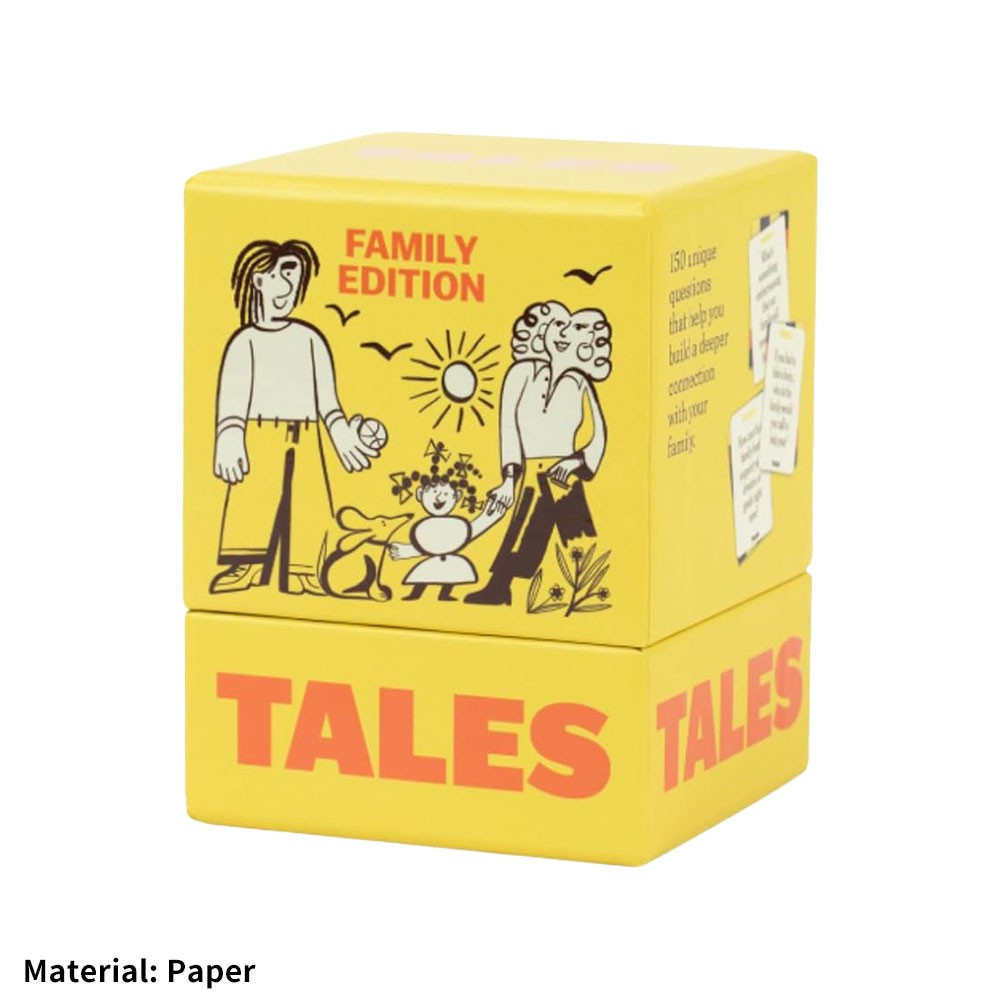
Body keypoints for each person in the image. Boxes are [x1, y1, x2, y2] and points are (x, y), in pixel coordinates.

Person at [210, 239, 380, 596]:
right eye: (278, 275)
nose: (287, 287)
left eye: (294, 277)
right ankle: (247, 564)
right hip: (259, 431)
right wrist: (229, 434)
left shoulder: (310, 339)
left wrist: (342, 434)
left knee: (309, 500)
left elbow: (328, 402)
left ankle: (303, 569)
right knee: (253, 495)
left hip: (306, 433)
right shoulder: (245, 341)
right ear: (258, 280)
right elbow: (233, 396)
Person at [464, 301, 612, 606]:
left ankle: (580, 596)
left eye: (569, 329)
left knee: (577, 538)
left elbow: (599, 433)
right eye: (555, 327)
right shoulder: (521, 373)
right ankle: (501, 586)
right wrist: (508, 479)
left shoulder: (581, 383)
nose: (561, 336)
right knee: (522, 530)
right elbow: (508, 427)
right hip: (530, 471)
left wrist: (574, 462)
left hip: (564, 474)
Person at [389, 476, 502, 601]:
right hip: (434, 561)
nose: (439, 498)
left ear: (457, 496)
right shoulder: (425, 527)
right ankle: (416, 594)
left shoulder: (456, 525)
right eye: (434, 492)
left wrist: (489, 517)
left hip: (449, 561)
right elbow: (428, 546)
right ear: (420, 494)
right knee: (425, 575)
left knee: (450, 576)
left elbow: (470, 532)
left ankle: (444, 595)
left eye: (445, 494)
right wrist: (409, 550)